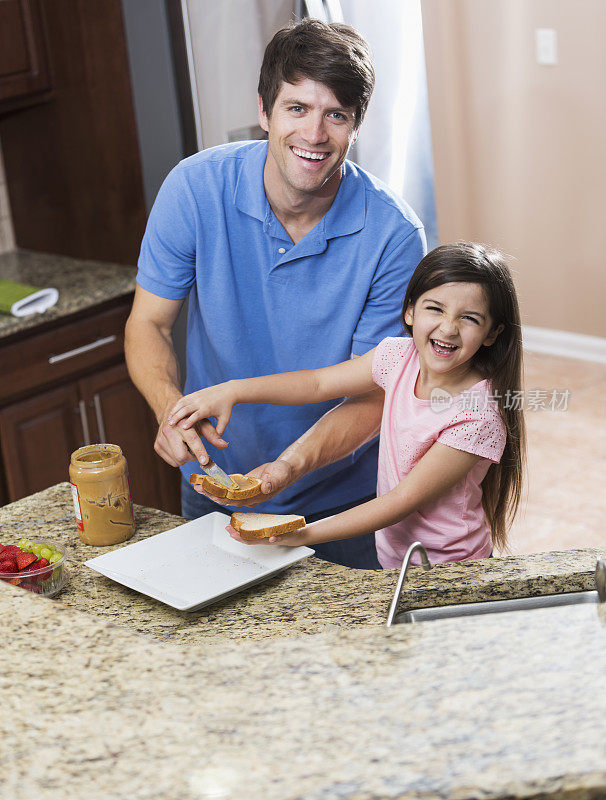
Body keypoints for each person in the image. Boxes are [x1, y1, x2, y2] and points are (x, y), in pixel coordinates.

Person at [125, 19, 426, 569]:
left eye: (335, 114)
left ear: (355, 124)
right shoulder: (194, 189)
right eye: (297, 108)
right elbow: (148, 324)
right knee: (222, 649)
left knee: (343, 654)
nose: (314, 134)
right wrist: (172, 412)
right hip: (214, 487)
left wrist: (289, 467)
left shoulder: (395, 236)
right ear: (264, 111)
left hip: (341, 503)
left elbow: (379, 388)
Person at [167, 242, 526, 565]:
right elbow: (317, 382)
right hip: (396, 557)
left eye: (469, 318)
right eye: (436, 308)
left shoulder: (477, 417)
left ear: (493, 333)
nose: (448, 329)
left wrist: (301, 534)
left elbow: (401, 501)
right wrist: (232, 390)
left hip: (451, 568)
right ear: (410, 312)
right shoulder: (398, 357)